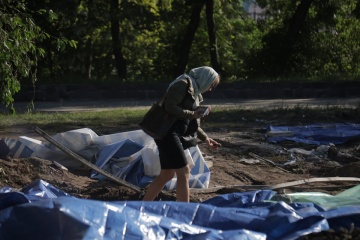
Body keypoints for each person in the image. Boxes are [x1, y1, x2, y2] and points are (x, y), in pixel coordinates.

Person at [142, 66, 222, 202]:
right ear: (205, 79)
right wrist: (193, 113)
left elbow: (190, 120)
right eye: (211, 85)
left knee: (167, 174)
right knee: (184, 172)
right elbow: (170, 106)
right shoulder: (183, 84)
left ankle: (143, 206)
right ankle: (184, 211)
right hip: (167, 132)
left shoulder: (195, 91)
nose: (210, 89)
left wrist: (205, 138)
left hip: (173, 132)